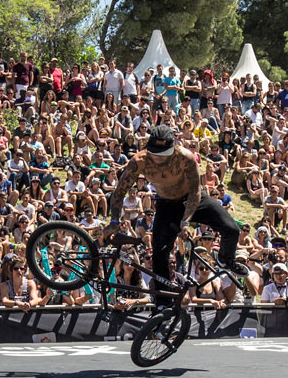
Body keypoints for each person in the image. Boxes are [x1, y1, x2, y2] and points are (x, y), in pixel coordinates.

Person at [103, 125, 247, 308]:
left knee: (232, 229)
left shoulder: (186, 158)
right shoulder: (139, 161)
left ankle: (226, 259)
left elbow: (195, 192)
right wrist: (114, 221)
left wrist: (185, 222)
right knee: (159, 251)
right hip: (166, 204)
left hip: (193, 199)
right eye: (156, 153)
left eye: (164, 154)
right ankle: (163, 302)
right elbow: (119, 192)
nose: (159, 158)